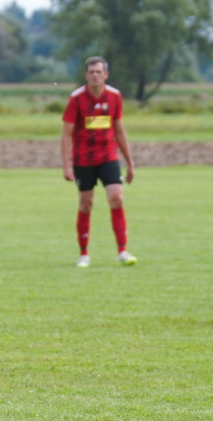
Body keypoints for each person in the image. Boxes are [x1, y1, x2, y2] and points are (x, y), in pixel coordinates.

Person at [61, 56, 137, 268]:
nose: (95, 75)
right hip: (83, 159)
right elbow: (66, 134)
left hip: (108, 157)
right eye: (91, 72)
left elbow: (120, 131)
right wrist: (66, 165)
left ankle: (122, 250)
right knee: (86, 204)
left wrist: (130, 163)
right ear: (86, 75)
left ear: (106, 74)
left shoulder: (114, 97)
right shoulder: (76, 99)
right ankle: (83, 253)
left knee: (117, 198)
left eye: (99, 71)